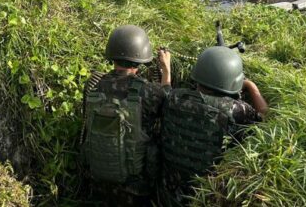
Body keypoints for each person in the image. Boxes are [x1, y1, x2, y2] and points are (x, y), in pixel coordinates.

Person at [160, 46, 268, 205]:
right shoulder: (237, 110)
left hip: (168, 194)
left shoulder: (175, 99)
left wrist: (166, 69)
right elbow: (266, 118)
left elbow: (165, 90)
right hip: (206, 197)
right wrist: (251, 86)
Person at [80, 24, 172, 206]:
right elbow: (168, 102)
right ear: (141, 59)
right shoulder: (149, 92)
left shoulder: (93, 86)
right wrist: (166, 70)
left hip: (97, 183)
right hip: (137, 191)